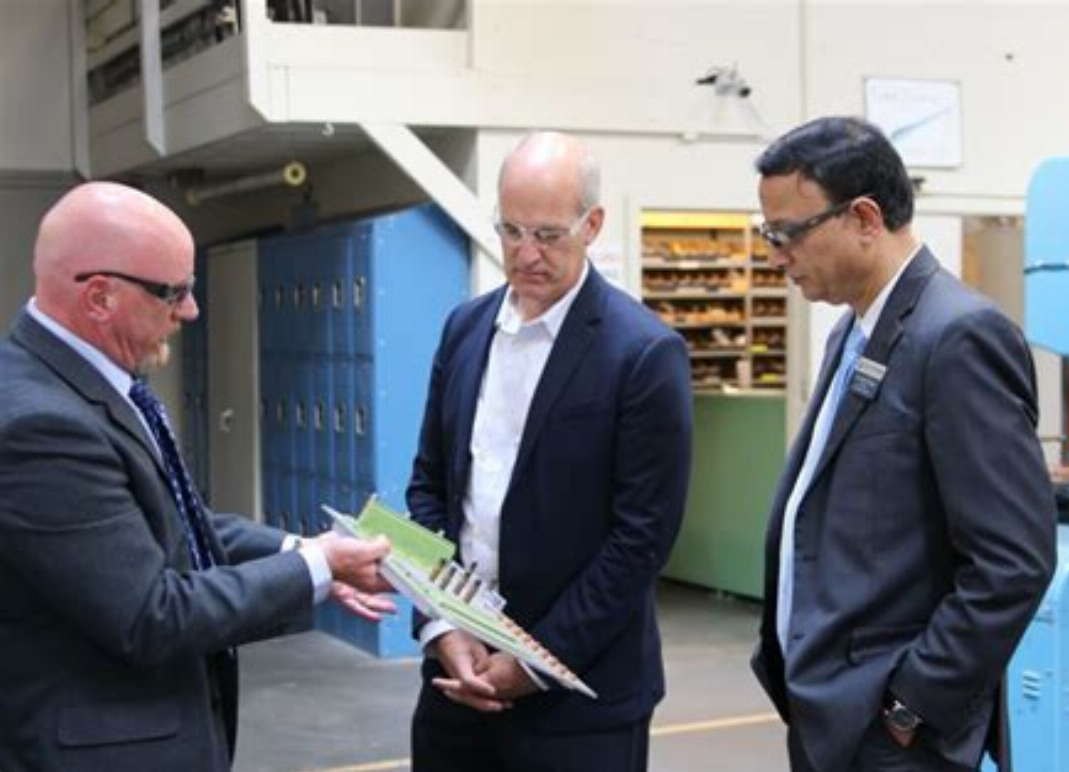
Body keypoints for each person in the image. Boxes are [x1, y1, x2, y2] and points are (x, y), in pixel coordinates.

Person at [0, 181, 394, 771]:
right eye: (173, 292)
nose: (191, 310)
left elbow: (178, 525)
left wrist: (302, 550)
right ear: (100, 297)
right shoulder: (41, 424)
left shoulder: (85, 384)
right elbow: (151, 613)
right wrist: (316, 569)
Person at [749, 116, 1057, 772]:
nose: (777, 255)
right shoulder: (852, 332)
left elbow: (1012, 562)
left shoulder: (957, 337)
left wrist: (910, 707)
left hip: (891, 735)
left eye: (787, 234)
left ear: (864, 217)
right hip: (830, 712)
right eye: (767, 234)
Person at [405, 131, 693, 772]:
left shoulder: (643, 354)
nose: (525, 254)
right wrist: (440, 626)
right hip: (457, 681)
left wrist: (534, 663)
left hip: (578, 701)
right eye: (511, 232)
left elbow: (640, 539)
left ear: (592, 225)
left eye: (547, 235)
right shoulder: (466, 329)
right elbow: (428, 488)